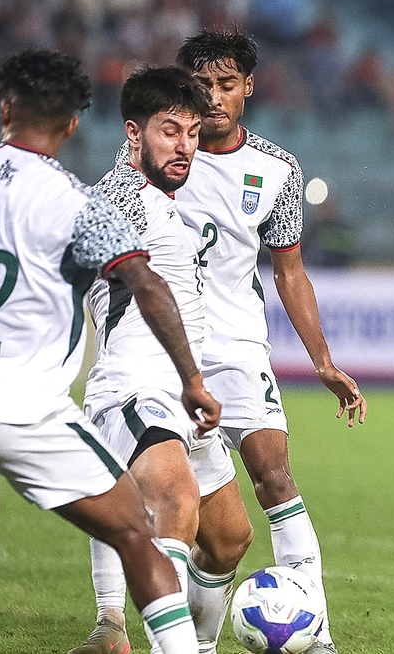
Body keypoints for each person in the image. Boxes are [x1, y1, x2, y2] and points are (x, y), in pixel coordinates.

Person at [0, 50, 217, 653]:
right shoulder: (78, 202)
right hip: (26, 407)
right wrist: (192, 378)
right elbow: (144, 282)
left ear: (4, 110)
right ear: (72, 125)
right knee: (137, 534)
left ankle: (112, 631)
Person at [173, 29, 366, 654]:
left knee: (276, 477)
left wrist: (324, 362)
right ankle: (178, 637)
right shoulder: (160, 156)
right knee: (199, 523)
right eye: (202, 85)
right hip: (164, 351)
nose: (213, 97)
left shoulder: (278, 169)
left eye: (226, 84)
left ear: (249, 88)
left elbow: (290, 272)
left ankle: (320, 635)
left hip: (238, 347)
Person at [70, 67, 254, 654]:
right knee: (174, 500)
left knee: (229, 539)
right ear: (134, 132)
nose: (185, 147)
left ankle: (182, 642)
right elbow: (132, 286)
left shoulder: (163, 200)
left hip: (186, 395)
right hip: (135, 385)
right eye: (170, 131)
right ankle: (152, 642)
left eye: (193, 133)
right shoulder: (118, 198)